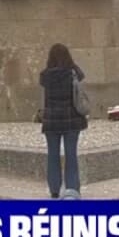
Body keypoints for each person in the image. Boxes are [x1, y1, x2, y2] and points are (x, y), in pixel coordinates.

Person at [39, 43, 87, 199]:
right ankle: (72, 189)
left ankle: (54, 189)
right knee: (71, 154)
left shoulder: (45, 75)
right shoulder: (73, 73)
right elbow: (81, 77)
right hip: (71, 119)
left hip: (51, 120)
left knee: (52, 154)